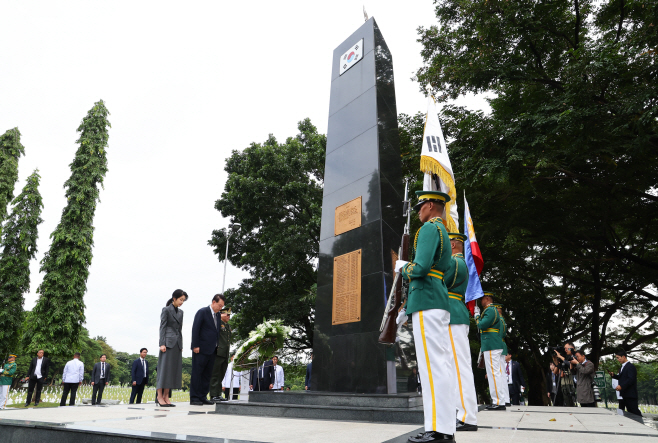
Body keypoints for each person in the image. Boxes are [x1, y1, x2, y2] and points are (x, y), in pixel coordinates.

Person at [396, 190, 455, 443]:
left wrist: (402, 267)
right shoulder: (443, 232)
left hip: (427, 301)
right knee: (438, 366)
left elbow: (419, 269)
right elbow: (447, 273)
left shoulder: (430, 229)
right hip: (435, 299)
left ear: (431, 205)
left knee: (433, 369)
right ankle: (439, 427)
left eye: (421, 206)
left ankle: (439, 430)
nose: (418, 210)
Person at [444, 232, 477, 432]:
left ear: (454, 244)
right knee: (454, 368)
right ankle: (462, 413)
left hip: (453, 315)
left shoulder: (455, 262)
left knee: (459, 368)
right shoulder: (456, 262)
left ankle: (468, 416)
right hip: (453, 315)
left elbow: (438, 280)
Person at [190, 294, 226, 405]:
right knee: (197, 373)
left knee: (207, 374)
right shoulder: (202, 312)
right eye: (219, 305)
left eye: (222, 306)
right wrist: (195, 345)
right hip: (200, 349)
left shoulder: (218, 315)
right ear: (213, 302)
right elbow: (196, 328)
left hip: (213, 349)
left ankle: (203, 396)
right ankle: (195, 397)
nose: (220, 308)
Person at [475, 292, 506, 410]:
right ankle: (497, 401)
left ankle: (498, 402)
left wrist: (477, 316)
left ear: (487, 298)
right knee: (494, 373)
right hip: (491, 344)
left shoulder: (490, 310)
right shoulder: (491, 310)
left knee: (494, 373)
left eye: (482, 299)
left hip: (491, 344)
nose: (480, 301)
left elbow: (482, 325)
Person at [157, 289, 187, 407]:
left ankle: (166, 396)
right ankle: (159, 396)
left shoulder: (181, 312)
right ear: (174, 298)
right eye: (180, 299)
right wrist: (162, 343)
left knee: (172, 371)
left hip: (177, 344)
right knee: (164, 370)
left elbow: (179, 329)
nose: (182, 302)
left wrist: (181, 345)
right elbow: (162, 327)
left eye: (183, 300)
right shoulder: (166, 310)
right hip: (167, 343)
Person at [208, 295, 231, 403]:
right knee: (215, 374)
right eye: (227, 314)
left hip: (225, 353)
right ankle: (213, 395)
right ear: (221, 314)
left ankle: (218, 394)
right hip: (218, 352)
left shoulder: (227, 326)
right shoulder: (218, 324)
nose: (228, 317)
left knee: (221, 375)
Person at [609, 349, 642, 416]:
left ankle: (641, 424)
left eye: (618, 358)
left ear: (623, 357)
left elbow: (631, 379)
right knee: (630, 411)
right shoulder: (622, 367)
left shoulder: (630, 367)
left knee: (634, 411)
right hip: (625, 393)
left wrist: (621, 386)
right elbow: (622, 378)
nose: (618, 360)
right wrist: (614, 376)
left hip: (630, 394)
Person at [494, 304, 510, 407]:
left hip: (497, 344)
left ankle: (503, 398)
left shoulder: (498, 320)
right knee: (502, 373)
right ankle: (506, 398)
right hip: (502, 344)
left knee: (499, 373)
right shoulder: (502, 320)